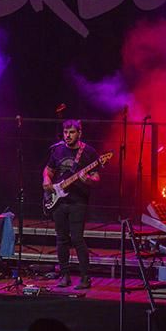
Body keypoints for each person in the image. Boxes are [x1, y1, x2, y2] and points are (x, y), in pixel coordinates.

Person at [42, 120, 99, 288]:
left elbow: (96, 178)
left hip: (78, 201)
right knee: (61, 239)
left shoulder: (89, 152)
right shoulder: (58, 150)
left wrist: (88, 179)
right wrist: (46, 179)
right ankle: (64, 275)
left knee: (77, 238)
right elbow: (49, 169)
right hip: (58, 201)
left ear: (79, 133)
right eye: (66, 132)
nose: (68, 135)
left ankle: (85, 277)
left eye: (72, 132)